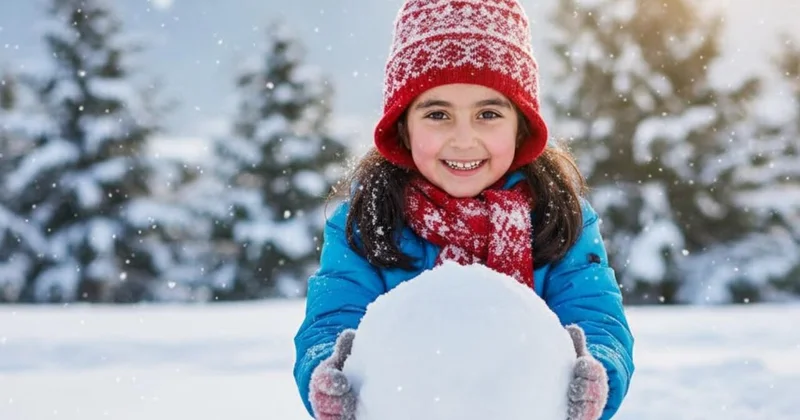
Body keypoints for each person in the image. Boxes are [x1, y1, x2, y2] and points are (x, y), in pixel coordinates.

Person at [293, 0, 635, 419]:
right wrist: (331, 367)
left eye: (488, 113)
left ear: (520, 124)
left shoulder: (559, 217)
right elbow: (331, 317)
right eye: (437, 114)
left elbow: (598, 317)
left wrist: (595, 371)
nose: (463, 139)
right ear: (403, 125)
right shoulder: (367, 220)